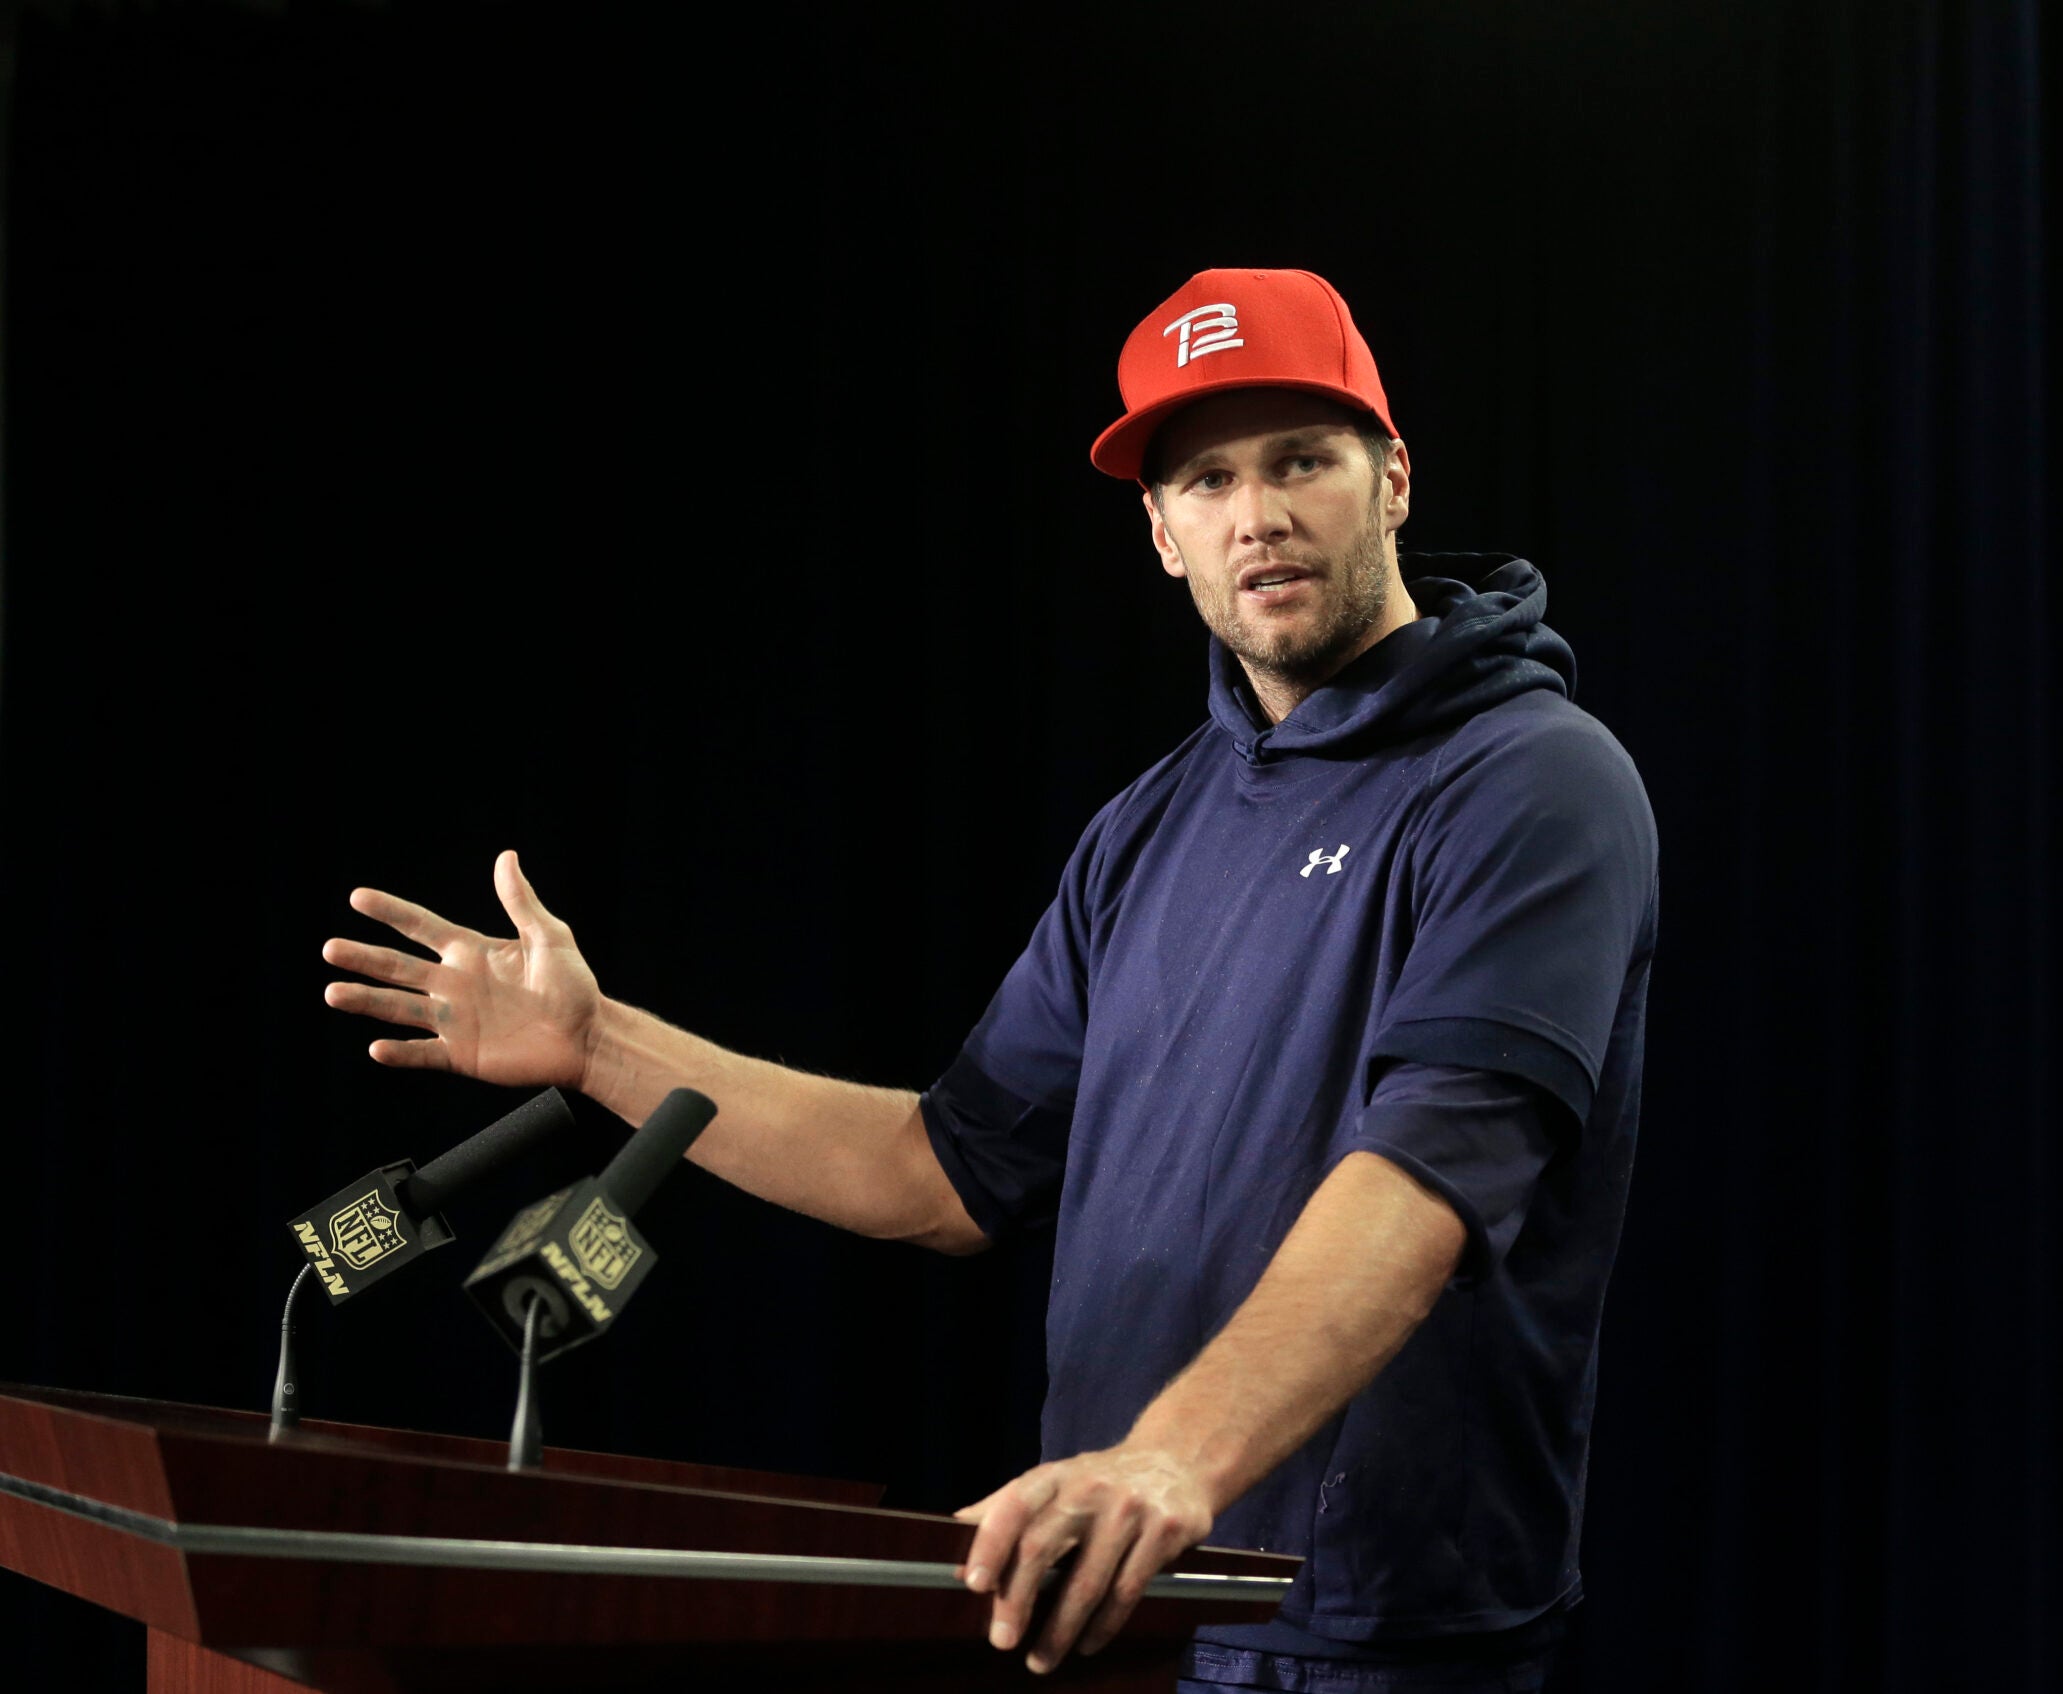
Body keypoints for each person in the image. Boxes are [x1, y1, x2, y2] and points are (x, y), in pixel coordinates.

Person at [322, 267, 1656, 1691]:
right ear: (1159, 533)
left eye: (1301, 462)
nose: (1257, 514)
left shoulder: (1533, 780)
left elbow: (1426, 1182)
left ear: (1391, 479)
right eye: (1205, 478)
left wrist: (1166, 1457)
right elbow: (943, 1168)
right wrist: (601, 1046)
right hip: (1116, 1603)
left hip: (1383, 1637)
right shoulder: (1151, 826)